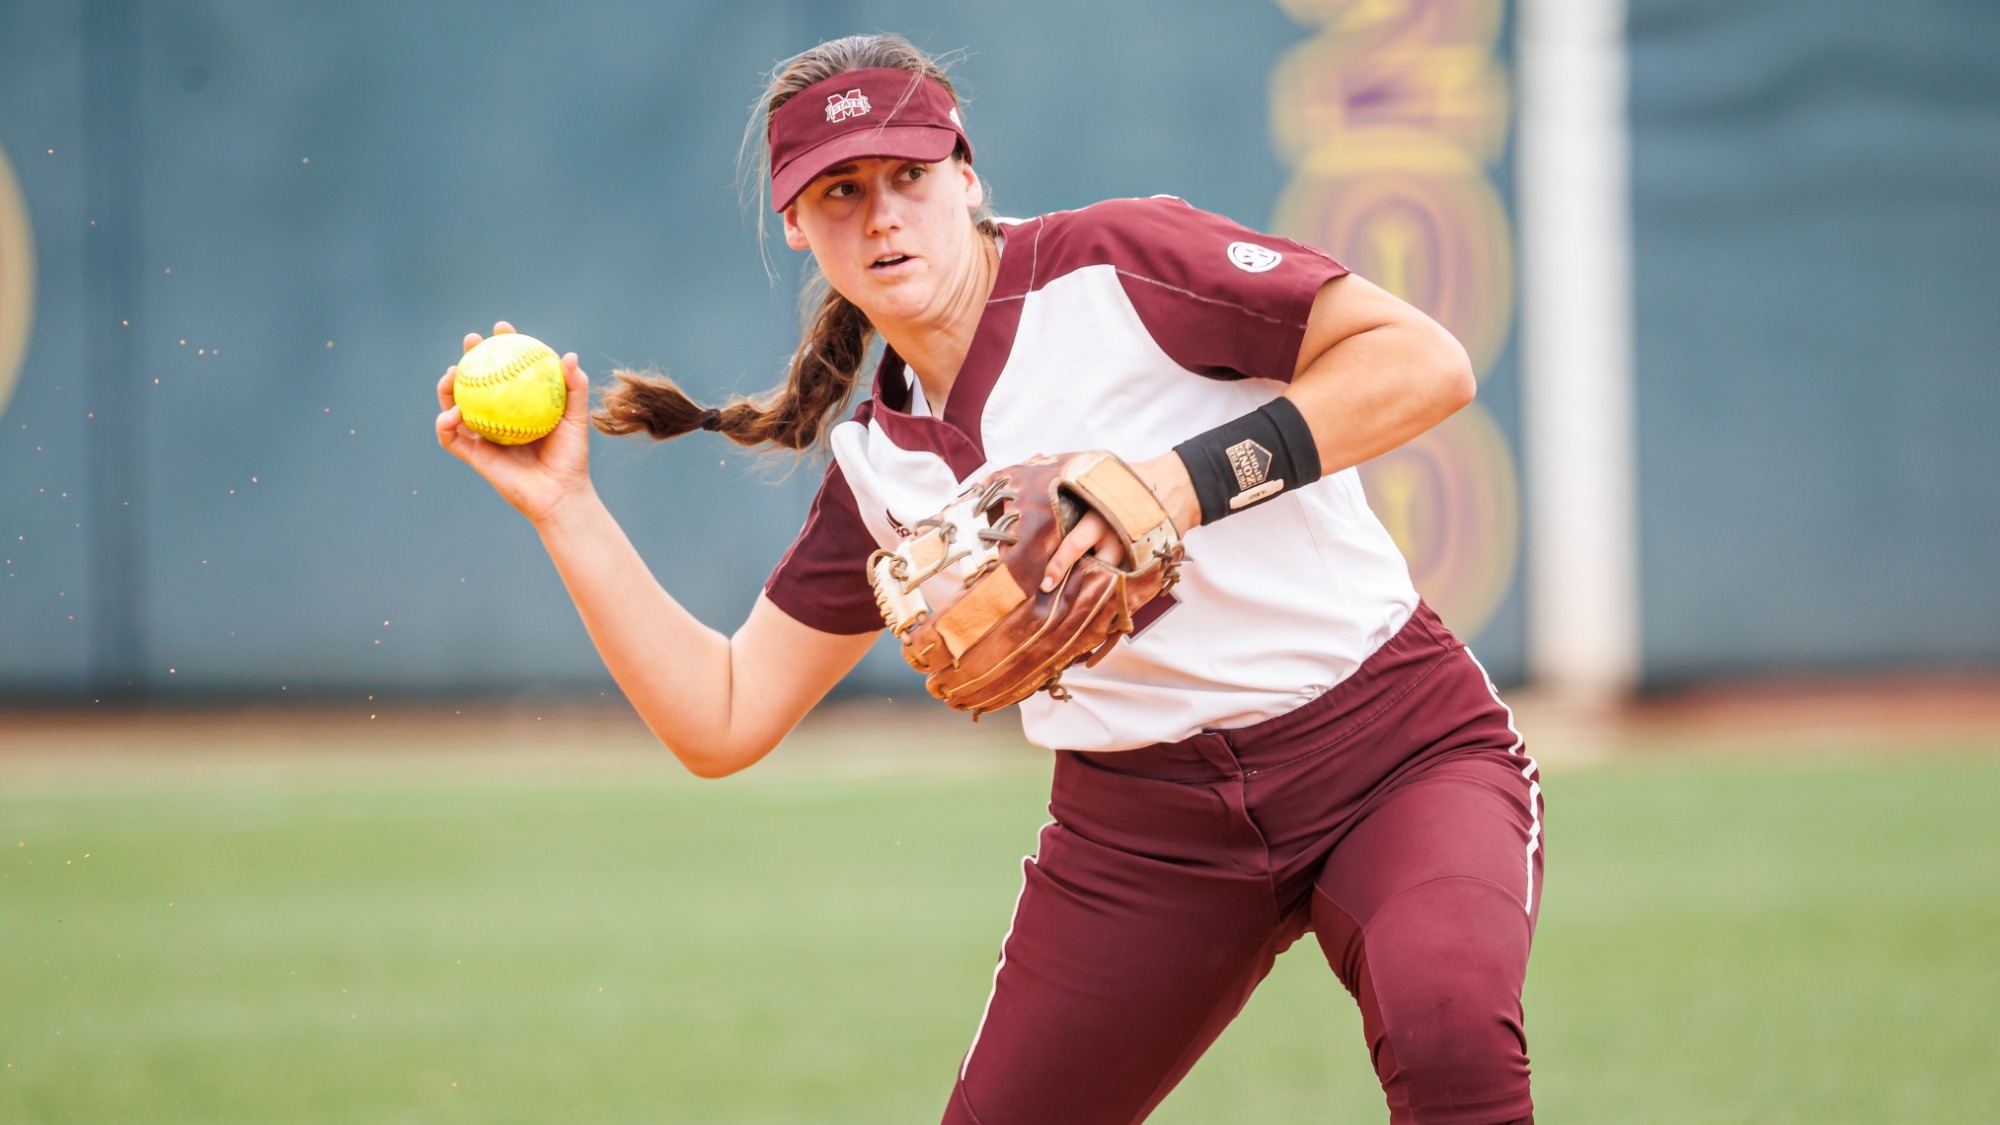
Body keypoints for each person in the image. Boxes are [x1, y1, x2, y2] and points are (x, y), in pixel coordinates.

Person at [435, 33, 1542, 1125]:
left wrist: (1168, 485)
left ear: (965, 174)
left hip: (1390, 752)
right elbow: (721, 717)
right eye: (836, 192)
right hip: (1144, 832)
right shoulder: (877, 462)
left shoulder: (1117, 267)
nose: (879, 215)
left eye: (907, 175)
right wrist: (566, 508)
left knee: (1447, 1036)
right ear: (794, 228)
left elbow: (1421, 364)